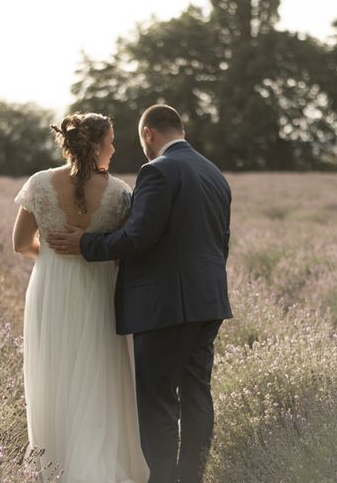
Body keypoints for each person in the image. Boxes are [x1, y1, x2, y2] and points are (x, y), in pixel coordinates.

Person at [47, 104, 233, 483]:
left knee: (158, 402)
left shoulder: (157, 171)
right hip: (209, 301)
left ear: (148, 133)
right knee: (198, 397)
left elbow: (139, 236)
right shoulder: (214, 173)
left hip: (165, 306)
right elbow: (219, 242)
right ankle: (191, 477)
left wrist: (87, 244)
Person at [12, 113, 149, 483]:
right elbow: (124, 250)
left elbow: (20, 244)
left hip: (51, 287)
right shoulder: (120, 193)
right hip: (99, 287)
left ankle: (57, 465)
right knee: (99, 368)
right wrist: (89, 248)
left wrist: (55, 254)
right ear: (98, 146)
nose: (114, 149)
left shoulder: (39, 184)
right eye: (111, 142)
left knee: (56, 370)